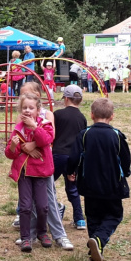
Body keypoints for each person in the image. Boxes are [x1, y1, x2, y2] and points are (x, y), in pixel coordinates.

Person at [67, 98, 131, 261]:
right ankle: (99, 240)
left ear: (92, 115)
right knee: (114, 215)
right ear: (112, 116)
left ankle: (95, 247)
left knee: (93, 216)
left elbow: (73, 156)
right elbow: (125, 158)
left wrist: (70, 171)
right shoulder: (116, 136)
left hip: (90, 185)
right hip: (112, 186)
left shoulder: (84, 134)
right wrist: (126, 173)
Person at [5, 92, 55, 253]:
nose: (27, 111)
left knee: (42, 206)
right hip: (24, 174)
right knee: (25, 207)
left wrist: (34, 129)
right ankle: (26, 237)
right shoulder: (18, 129)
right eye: (24, 108)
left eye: (31, 108)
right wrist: (14, 147)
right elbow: (10, 153)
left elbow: (46, 140)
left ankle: (42, 233)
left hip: (40, 171)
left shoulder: (45, 124)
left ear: (38, 109)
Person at [53, 85, 88, 230]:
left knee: (46, 184)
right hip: (74, 157)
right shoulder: (82, 118)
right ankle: (79, 219)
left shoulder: (58, 114)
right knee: (72, 188)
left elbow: (52, 134)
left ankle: (51, 213)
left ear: (66, 99)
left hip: (58, 155)